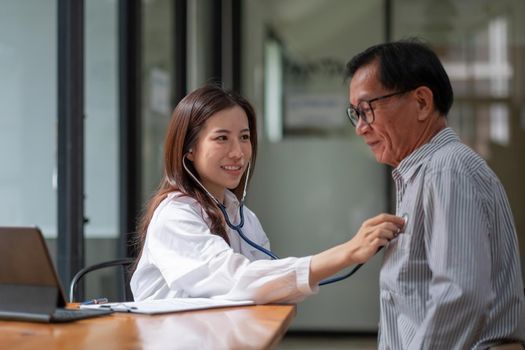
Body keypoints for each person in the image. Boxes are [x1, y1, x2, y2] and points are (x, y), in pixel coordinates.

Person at [130, 84, 404, 304]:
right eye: (222, 138)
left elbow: (268, 287)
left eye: (245, 137)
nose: (238, 152)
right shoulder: (175, 216)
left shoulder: (242, 217)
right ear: (189, 149)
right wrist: (347, 252)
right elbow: (238, 280)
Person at [345, 39, 525, 349]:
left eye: (368, 109)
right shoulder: (422, 173)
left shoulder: (447, 170)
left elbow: (460, 293)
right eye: (355, 114)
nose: (361, 127)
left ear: (422, 103)